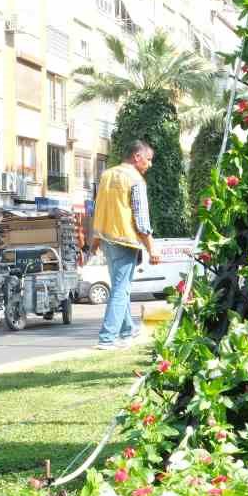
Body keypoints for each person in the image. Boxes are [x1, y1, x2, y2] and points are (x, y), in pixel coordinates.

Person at [88, 141, 161, 350]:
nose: (150, 164)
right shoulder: (135, 180)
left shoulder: (107, 175)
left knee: (122, 288)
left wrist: (95, 242)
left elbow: (98, 209)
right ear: (137, 157)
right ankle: (107, 338)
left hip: (107, 240)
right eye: (148, 160)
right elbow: (141, 220)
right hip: (125, 240)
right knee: (120, 289)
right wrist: (152, 248)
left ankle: (128, 331)